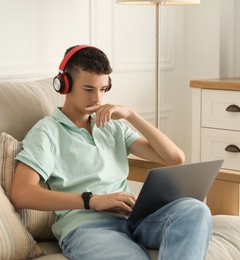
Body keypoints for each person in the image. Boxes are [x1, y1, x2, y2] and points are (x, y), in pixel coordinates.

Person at [11, 45, 212, 260]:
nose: (97, 99)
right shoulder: (47, 131)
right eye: (88, 89)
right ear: (64, 85)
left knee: (195, 210)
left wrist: (131, 115)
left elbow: (174, 158)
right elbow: (22, 193)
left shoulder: (112, 125)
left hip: (135, 219)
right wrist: (92, 200)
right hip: (88, 228)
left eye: (103, 89)